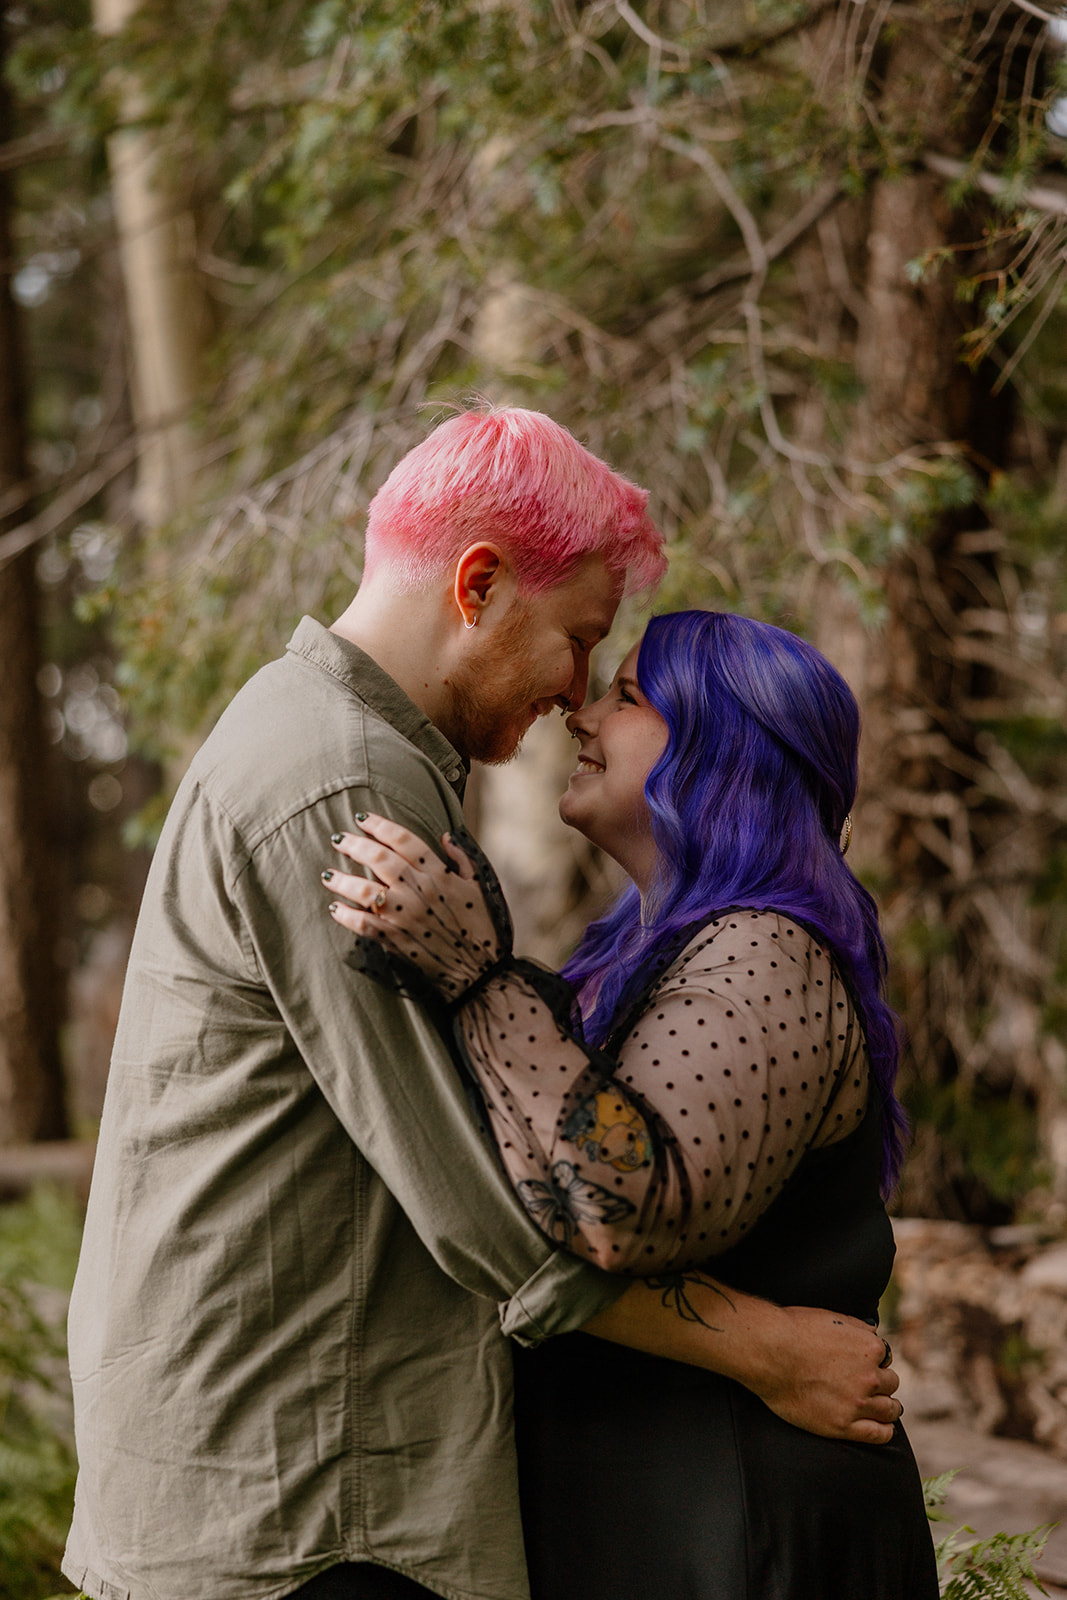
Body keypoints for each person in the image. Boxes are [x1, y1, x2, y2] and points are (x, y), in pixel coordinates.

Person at [64, 409, 901, 1600]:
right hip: (306, 1489)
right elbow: (485, 1204)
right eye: (579, 644)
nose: (574, 696)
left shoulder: (347, 752)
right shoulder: (345, 779)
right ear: (478, 584)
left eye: (613, 677)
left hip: (320, 1474)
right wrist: (763, 1347)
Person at [322, 608, 939, 1600]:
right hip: (664, 1508)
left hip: (739, 1523)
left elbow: (623, 1203)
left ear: (720, 750)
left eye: (628, 694)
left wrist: (478, 980)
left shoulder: (764, 952)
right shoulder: (651, 955)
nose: (581, 711)